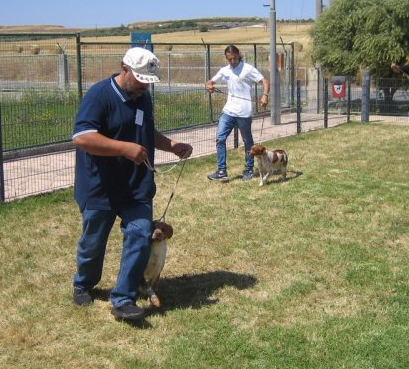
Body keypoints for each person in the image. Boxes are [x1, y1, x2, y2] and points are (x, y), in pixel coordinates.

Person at [71, 47, 193, 321]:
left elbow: (145, 131)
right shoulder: (99, 96)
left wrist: (171, 145)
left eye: (149, 82)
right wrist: (124, 149)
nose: (144, 87)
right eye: (140, 80)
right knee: (93, 242)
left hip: (136, 187)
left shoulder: (143, 98)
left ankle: (123, 298)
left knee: (139, 236)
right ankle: (83, 284)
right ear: (124, 69)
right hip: (99, 187)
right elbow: (82, 137)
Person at [205, 45, 269, 182]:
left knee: (247, 142)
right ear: (226, 58)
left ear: (238, 55)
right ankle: (222, 171)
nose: (232, 61)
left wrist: (265, 95)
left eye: (234, 58)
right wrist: (209, 85)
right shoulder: (225, 70)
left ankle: (249, 169)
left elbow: (264, 81)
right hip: (228, 111)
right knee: (220, 138)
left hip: (244, 112)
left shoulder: (248, 69)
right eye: (229, 59)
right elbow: (211, 81)